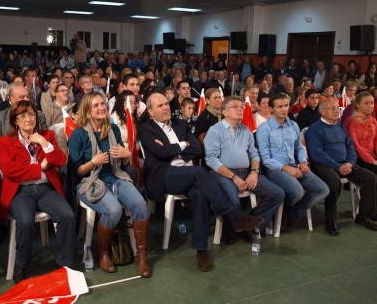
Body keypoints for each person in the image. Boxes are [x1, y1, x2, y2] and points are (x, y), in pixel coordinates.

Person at [138, 92, 264, 272]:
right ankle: (235, 216)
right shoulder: (146, 128)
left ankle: (201, 249)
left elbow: (197, 149)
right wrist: (182, 145)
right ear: (150, 111)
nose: (166, 107)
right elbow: (161, 154)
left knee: (200, 195)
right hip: (165, 175)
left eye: (167, 104)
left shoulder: (181, 124)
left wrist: (172, 149)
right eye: (160, 106)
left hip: (188, 174)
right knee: (199, 172)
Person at [68, 92, 151, 278]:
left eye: (102, 104)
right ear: (87, 110)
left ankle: (141, 255)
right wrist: (93, 162)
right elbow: (76, 171)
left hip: (115, 176)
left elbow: (124, 165)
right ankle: (103, 253)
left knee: (140, 204)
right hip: (88, 181)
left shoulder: (112, 130)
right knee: (113, 210)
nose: (101, 108)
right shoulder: (78, 135)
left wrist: (126, 155)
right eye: (96, 105)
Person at [0, 100, 75, 283]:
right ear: (15, 120)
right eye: (22, 116)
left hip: (46, 189)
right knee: (25, 220)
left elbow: (61, 161)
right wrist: (40, 168)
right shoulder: (4, 141)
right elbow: (9, 170)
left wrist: (44, 143)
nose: (28, 119)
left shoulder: (47, 135)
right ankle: (21, 264)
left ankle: (64, 263)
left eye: (31, 114)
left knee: (67, 215)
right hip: (20, 192)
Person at [204, 96, 284, 236]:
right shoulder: (215, 130)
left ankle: (249, 224)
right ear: (225, 112)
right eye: (235, 107)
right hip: (223, 173)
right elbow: (211, 159)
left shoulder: (246, 131)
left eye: (242, 107)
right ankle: (231, 231)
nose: (240, 109)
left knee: (277, 194)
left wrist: (254, 172)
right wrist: (234, 177)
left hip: (247, 172)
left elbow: (254, 154)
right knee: (233, 200)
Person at [256, 93, 329, 231]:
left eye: (286, 106)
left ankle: (289, 214)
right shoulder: (264, 129)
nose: (284, 109)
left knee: (322, 189)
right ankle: (281, 212)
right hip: (275, 169)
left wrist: (302, 161)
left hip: (295, 165)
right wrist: (286, 168)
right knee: (297, 191)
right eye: (279, 107)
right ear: (271, 109)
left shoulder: (293, 125)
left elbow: (299, 147)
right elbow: (265, 159)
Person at [306, 99, 377, 233]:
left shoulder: (340, 127)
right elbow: (317, 154)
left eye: (337, 108)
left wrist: (350, 163)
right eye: (332, 108)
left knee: (371, 177)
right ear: (322, 112)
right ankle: (330, 219)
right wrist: (338, 166)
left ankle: (364, 215)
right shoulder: (314, 129)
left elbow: (350, 147)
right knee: (334, 180)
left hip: (345, 164)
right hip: (324, 165)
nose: (336, 111)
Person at [344, 92, 377, 175]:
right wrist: (372, 160)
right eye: (366, 103)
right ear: (358, 105)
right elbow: (355, 145)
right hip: (357, 158)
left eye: (372, 103)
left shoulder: (373, 120)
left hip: (373, 155)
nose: (370, 106)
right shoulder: (351, 121)